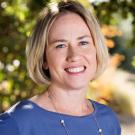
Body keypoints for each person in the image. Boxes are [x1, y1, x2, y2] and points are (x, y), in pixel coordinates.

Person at [0, 0, 121, 135]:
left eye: (83, 42)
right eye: (60, 45)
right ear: (43, 58)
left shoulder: (109, 121)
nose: (74, 56)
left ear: (96, 50)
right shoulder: (16, 123)